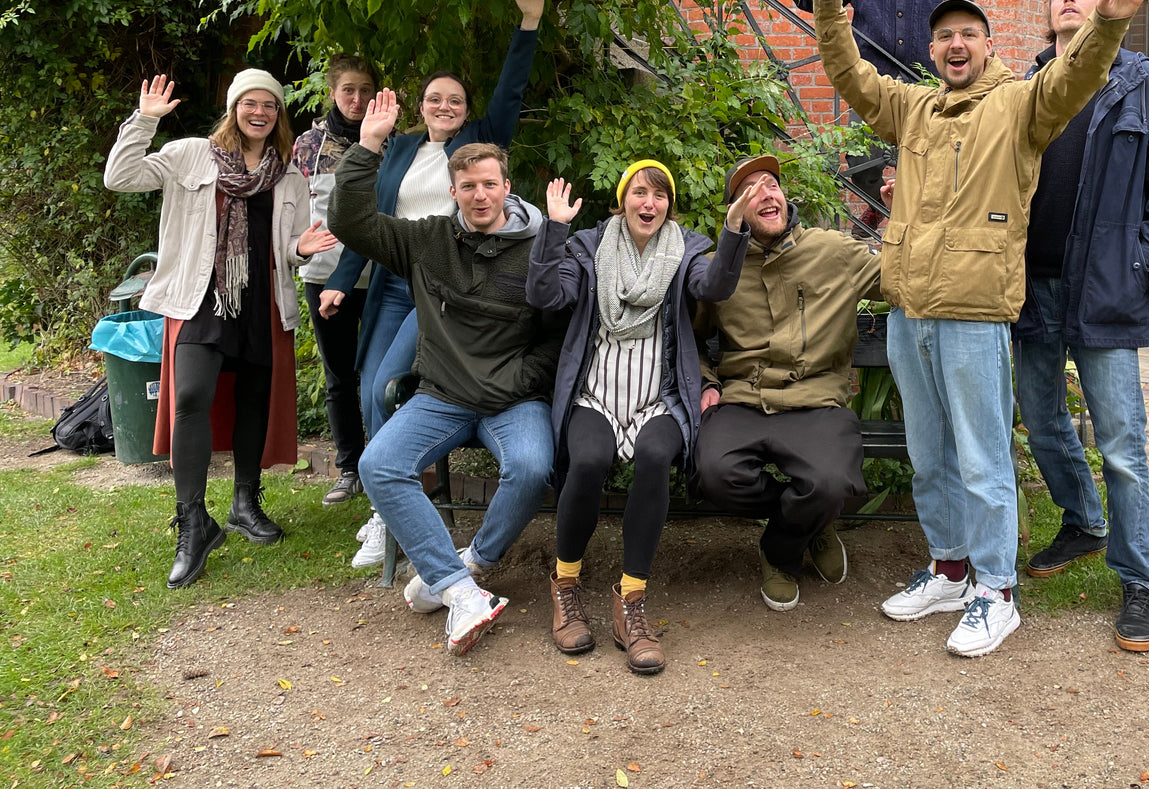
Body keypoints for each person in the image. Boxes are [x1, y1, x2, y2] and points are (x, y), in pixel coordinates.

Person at [811, 0, 1149, 657]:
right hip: (911, 308)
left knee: (981, 456)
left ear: (990, 42)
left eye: (968, 32)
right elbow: (851, 77)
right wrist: (827, 12)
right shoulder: (913, 108)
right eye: (944, 36)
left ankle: (996, 588)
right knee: (929, 454)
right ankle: (948, 565)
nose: (955, 44)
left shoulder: (1020, 103)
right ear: (934, 50)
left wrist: (1111, 22)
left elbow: (1077, 75)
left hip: (974, 313)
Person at [329, 89, 564, 656]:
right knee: (379, 464)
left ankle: (474, 561)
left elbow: (559, 337)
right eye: (467, 187)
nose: (479, 195)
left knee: (533, 466)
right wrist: (367, 147)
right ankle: (460, 592)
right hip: (443, 396)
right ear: (453, 192)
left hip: (514, 399)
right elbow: (350, 221)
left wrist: (516, 381)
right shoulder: (427, 240)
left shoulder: (543, 246)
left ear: (507, 188)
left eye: (489, 184)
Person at [1014, 0, 1149, 653]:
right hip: (1032, 286)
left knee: (1121, 442)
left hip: (1107, 287)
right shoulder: (1028, 85)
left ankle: (1138, 575)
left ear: (1108, 4)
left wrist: (1143, 270)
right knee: (1042, 417)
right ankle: (1083, 521)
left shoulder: (1145, 85)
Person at [332, 0, 547, 570]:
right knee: (373, 385)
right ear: (419, 106)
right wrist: (339, 278)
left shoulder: (479, 146)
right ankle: (388, 507)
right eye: (435, 99)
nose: (446, 107)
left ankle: (403, 512)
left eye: (455, 100)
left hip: (446, 286)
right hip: (399, 278)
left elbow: (510, 91)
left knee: (393, 386)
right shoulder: (399, 150)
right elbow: (367, 218)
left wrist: (527, 24)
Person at [104, 71, 337, 589]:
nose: (260, 113)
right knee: (190, 397)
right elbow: (119, 177)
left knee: (254, 400)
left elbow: (295, 240)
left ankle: (244, 503)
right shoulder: (191, 154)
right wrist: (144, 120)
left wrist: (299, 250)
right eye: (250, 104)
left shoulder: (288, 177)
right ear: (234, 109)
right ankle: (192, 523)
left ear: (279, 115)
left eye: (270, 106)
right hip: (199, 297)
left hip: (260, 301)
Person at [524, 161, 757, 673]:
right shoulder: (586, 248)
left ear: (669, 205)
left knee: (655, 456)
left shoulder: (687, 250)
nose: (649, 203)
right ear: (622, 199)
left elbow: (715, 286)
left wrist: (734, 230)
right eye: (639, 192)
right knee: (587, 460)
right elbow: (544, 294)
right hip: (595, 393)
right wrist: (554, 228)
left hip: (659, 397)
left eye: (659, 195)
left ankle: (630, 601)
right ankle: (564, 586)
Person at [693, 156, 883, 612]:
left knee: (830, 483)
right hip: (744, 399)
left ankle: (780, 550)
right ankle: (810, 523)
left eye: (771, 184)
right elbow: (690, 337)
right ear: (733, 211)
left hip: (815, 399)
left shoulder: (832, 251)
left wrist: (905, 217)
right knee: (712, 476)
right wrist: (705, 381)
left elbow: (903, 274)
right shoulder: (716, 268)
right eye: (749, 189)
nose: (766, 193)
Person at [769, 0, 972, 206]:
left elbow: (966, 23)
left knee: (923, 159)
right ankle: (878, 212)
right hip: (871, 81)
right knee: (863, 160)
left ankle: (908, 222)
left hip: (925, 87)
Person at [291, 55, 379, 506]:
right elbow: (291, 210)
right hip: (325, 277)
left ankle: (384, 463)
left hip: (383, 276)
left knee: (383, 376)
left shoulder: (392, 144)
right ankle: (349, 467)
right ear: (331, 91)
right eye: (348, 90)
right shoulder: (307, 145)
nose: (357, 99)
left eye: (365, 90)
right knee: (339, 376)